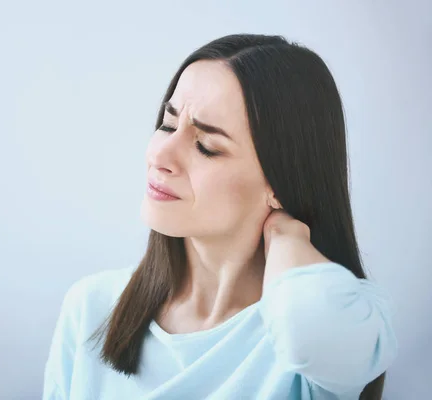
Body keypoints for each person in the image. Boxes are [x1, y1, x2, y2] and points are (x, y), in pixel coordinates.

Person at [42, 34, 398, 400]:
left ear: (279, 181)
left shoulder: (340, 319)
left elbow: (307, 323)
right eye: (167, 124)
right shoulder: (91, 307)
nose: (161, 155)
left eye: (206, 146)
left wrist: (288, 237)